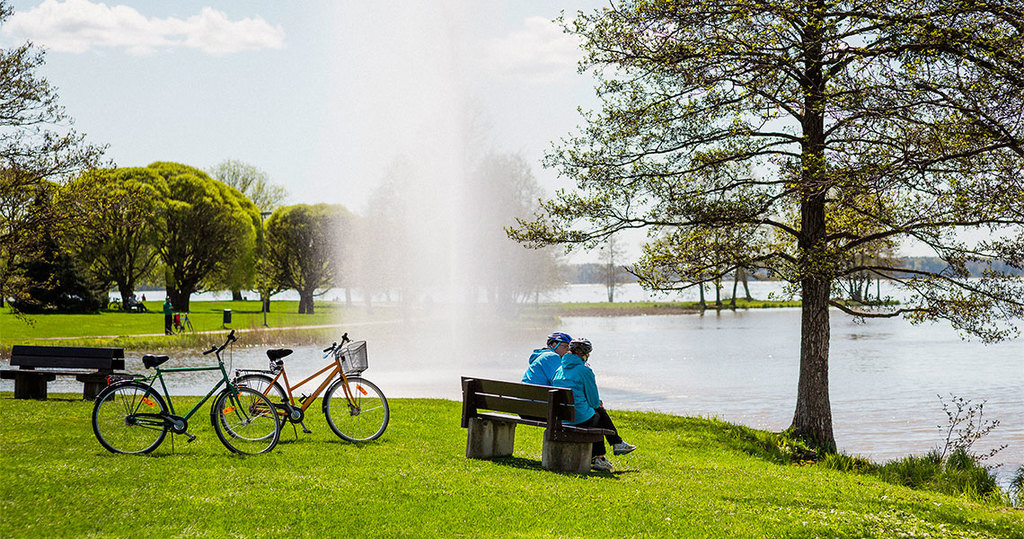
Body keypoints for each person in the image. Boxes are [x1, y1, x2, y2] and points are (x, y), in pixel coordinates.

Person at [551, 337, 637, 472]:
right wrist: (598, 403)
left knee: (595, 414)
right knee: (598, 413)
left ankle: (608, 452)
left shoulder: (559, 370)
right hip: (579, 418)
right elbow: (593, 401)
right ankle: (611, 448)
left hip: (563, 418)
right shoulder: (584, 371)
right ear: (583, 354)